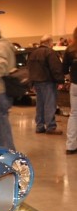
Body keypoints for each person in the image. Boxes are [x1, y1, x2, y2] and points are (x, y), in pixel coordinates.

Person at [29, 35, 64, 135]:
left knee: (40, 105)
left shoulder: (33, 53)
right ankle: (51, 127)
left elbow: (29, 69)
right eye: (52, 42)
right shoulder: (50, 52)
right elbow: (55, 68)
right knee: (50, 104)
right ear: (49, 42)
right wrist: (60, 81)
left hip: (37, 83)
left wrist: (31, 83)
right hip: (48, 82)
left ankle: (39, 126)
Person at [64, 26, 77, 155]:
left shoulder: (69, 50)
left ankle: (71, 146)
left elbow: (64, 69)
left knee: (73, 115)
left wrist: (70, 78)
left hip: (75, 85)